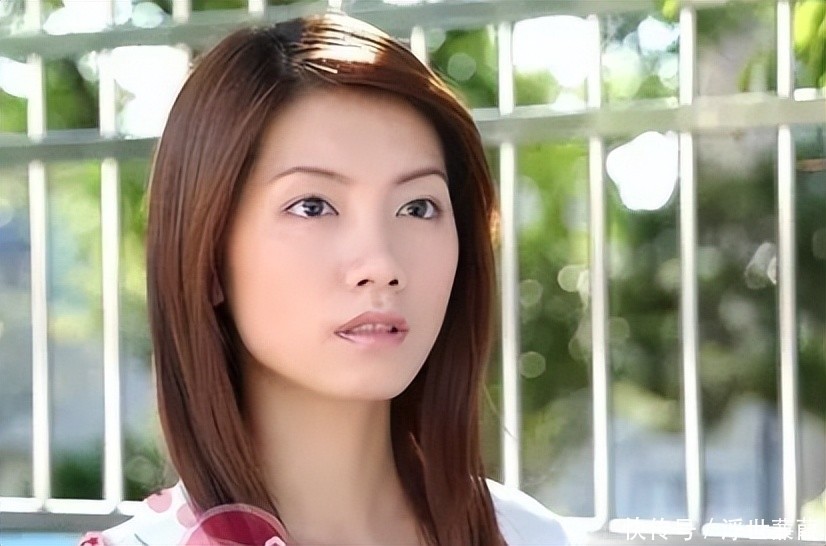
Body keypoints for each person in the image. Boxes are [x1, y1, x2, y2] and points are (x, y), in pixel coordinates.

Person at [79, 11, 568, 546]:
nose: (381, 264)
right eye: (312, 206)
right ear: (209, 256)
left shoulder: (528, 535)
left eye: (418, 207)